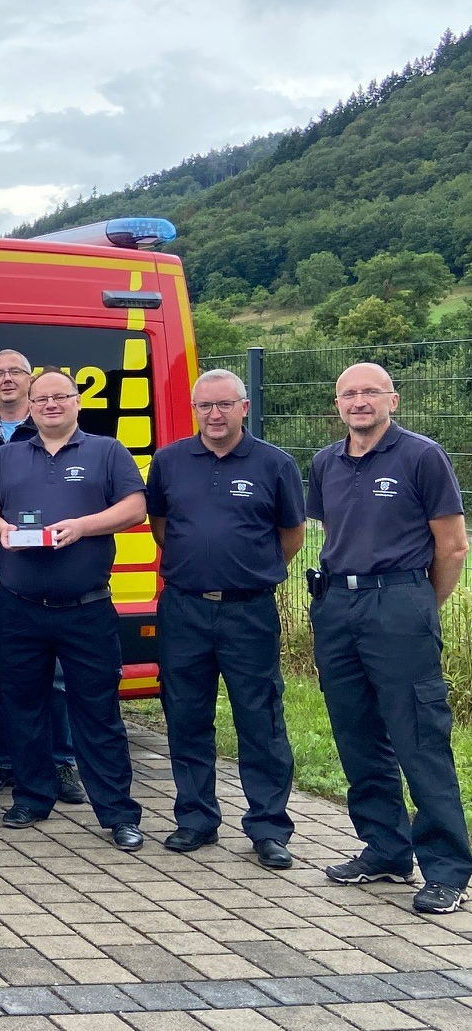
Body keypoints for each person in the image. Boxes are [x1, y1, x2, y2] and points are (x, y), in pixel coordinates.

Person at [308, 362, 469, 915]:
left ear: (392, 401)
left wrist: (418, 603)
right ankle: (385, 848)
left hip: (399, 605)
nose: (359, 401)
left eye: (370, 392)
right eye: (348, 393)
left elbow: (451, 548)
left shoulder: (422, 456)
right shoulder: (324, 462)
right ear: (337, 404)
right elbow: (332, 531)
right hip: (337, 606)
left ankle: (446, 869)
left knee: (418, 737)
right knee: (356, 732)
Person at [0, 368, 147, 849]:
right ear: (28, 406)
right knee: (22, 707)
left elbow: (134, 507)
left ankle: (117, 814)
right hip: (18, 607)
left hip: (85, 609)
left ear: (77, 402)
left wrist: (84, 526)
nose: (50, 405)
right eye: (41, 398)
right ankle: (31, 796)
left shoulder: (107, 451)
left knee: (98, 713)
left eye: (60, 397)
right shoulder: (6, 456)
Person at [147, 370, 304, 868]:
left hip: (247, 611)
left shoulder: (274, 463)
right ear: (194, 410)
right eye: (204, 406)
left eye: (223, 405)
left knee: (260, 717)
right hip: (184, 608)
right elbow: (161, 526)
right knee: (187, 715)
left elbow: (292, 534)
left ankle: (269, 828)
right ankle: (195, 818)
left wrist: (247, 571)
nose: (214, 415)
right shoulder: (169, 461)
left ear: (243, 408)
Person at [0, 349, 84, 805]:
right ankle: (1, 761)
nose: (7, 380)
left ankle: (61, 763)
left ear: (30, 381)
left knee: (55, 676)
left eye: (15, 372)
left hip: (50, 572)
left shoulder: (52, 432)